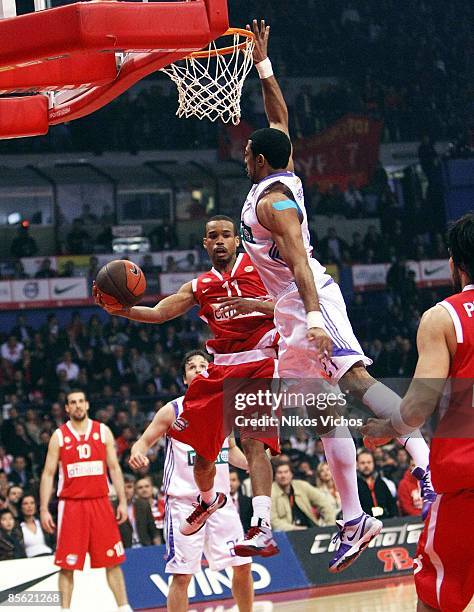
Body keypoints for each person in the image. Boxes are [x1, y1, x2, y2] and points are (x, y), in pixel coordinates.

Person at [233, 18, 433, 573]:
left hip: (312, 301)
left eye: (248, 151)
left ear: (258, 161)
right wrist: (263, 64)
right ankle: (354, 518)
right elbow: (279, 118)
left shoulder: (274, 202)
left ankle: (426, 464)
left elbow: (297, 260)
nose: (244, 154)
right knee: (323, 415)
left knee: (356, 382)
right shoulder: (279, 172)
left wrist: (316, 316)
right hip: (292, 311)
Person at [94, 216, 280, 557]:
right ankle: (208, 501)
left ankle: (262, 525)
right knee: (203, 456)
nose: (220, 241)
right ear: (205, 244)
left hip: (261, 361)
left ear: (238, 240)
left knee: (254, 444)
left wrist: (257, 305)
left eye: (226, 235)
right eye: (213, 236)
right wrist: (120, 310)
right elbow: (160, 312)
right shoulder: (200, 286)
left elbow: (289, 303)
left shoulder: (263, 267)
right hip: (221, 370)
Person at [362, 213, 474, 612]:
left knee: (435, 601)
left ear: (453, 263)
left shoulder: (444, 317)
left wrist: (387, 426)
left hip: (466, 482)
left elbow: (418, 406)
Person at [129, 351, 254, 612]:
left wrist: (254, 465)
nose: (198, 370)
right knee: (182, 575)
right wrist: (138, 452)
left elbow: (230, 451)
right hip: (185, 505)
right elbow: (143, 442)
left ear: (211, 373)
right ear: (185, 378)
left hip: (220, 502)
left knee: (243, 565)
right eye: (191, 367)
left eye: (203, 366)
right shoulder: (172, 410)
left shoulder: (225, 409)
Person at [39, 389, 132, 612]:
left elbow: (114, 468)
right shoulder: (59, 436)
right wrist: (43, 508)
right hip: (71, 505)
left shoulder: (103, 431)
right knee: (66, 565)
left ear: (87, 405)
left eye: (81, 401)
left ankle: (123, 607)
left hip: (100, 502)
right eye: (73, 402)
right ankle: (65, 609)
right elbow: (48, 474)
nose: (78, 405)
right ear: (67, 408)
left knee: (113, 561)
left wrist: (121, 501)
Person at [271, 462, 336, 531]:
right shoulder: (271, 492)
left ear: (291, 474)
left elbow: (325, 503)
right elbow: (273, 521)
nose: (283, 476)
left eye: (286, 472)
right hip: (287, 534)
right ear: (275, 476)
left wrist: (330, 527)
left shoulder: (301, 486)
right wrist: (296, 529)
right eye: (280, 473)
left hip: (310, 529)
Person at [119, 474, 160, 548]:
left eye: (129, 487)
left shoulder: (143, 505)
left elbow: (153, 530)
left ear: (134, 489)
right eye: (123, 487)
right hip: (125, 549)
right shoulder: (113, 507)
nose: (126, 491)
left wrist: (158, 550)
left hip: (145, 546)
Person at [356, 450, 398, 519]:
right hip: (365, 524)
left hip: (385, 522)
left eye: (369, 462)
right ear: (357, 465)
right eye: (362, 463)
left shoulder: (381, 483)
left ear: (373, 464)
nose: (366, 465)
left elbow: (391, 504)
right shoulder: (354, 486)